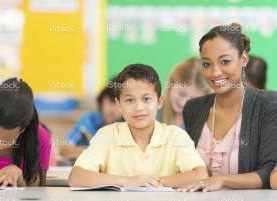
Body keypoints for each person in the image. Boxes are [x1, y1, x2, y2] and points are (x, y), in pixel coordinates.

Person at [68, 64, 208, 188]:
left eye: (146, 99)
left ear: (159, 102)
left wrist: (152, 182)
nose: (139, 107)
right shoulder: (106, 135)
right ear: (118, 105)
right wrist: (128, 181)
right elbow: (76, 177)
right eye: (129, 100)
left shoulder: (176, 136)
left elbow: (200, 175)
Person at [178, 23, 277, 192]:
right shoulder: (193, 108)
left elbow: (268, 173)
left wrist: (222, 180)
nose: (215, 72)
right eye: (207, 64)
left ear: (243, 59)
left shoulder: (267, 103)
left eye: (225, 61)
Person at [0, 78, 51, 187]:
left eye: (5, 141)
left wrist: (19, 176)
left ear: (23, 129)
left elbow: (37, 193)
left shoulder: (41, 138)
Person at [59, 85, 123, 157]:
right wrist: (93, 150)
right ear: (102, 99)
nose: (114, 109)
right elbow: (64, 150)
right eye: (111, 101)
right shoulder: (87, 120)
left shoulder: (127, 125)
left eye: (119, 105)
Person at [159, 57, 212, 128]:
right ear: (171, 82)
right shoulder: (151, 109)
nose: (183, 103)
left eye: (193, 100)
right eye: (181, 94)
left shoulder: (204, 125)